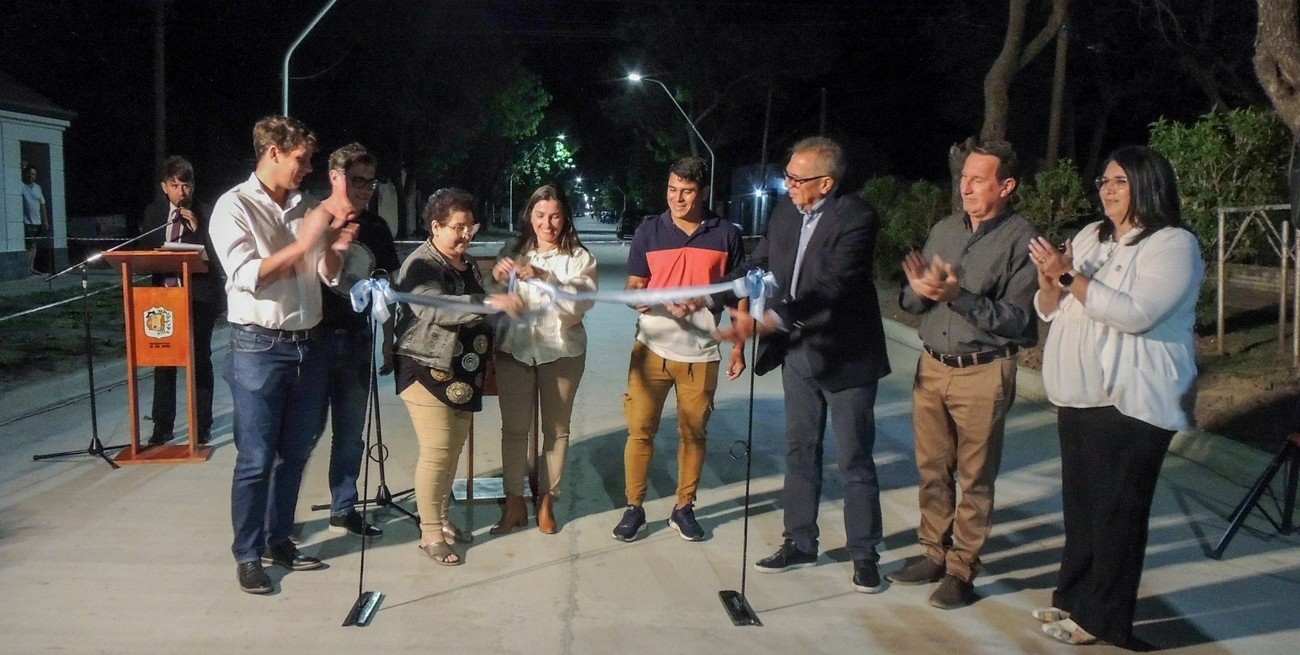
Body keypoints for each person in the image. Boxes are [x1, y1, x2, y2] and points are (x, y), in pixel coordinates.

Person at [1027, 146, 1202, 646]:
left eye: (1120, 181)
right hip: (1079, 395)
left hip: (1133, 401)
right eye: (1104, 180)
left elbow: (1135, 314)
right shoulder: (1091, 236)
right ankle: (1072, 599)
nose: (1107, 189)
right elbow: (1051, 308)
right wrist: (1049, 282)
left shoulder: (1173, 245)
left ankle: (1102, 618)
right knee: (1082, 509)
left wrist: (1068, 275)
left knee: (1118, 514)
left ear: (1149, 184)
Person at [718, 136, 892, 593]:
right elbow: (757, 265)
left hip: (845, 356)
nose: (788, 185)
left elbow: (834, 286)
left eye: (797, 179)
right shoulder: (784, 213)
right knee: (799, 450)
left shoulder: (856, 217)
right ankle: (799, 541)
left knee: (853, 457)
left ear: (826, 183)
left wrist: (773, 319)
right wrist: (707, 295)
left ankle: (864, 555)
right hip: (797, 354)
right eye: (788, 176)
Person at [209, 115, 358, 595]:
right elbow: (248, 275)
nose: (308, 167)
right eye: (301, 158)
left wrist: (335, 246)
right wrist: (307, 239)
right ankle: (248, 554)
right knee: (256, 458)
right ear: (272, 152)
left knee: (294, 454)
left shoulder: (306, 206)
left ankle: (279, 540)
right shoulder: (233, 206)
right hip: (258, 346)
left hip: (309, 344)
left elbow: (328, 275)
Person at [892, 139, 1039, 609]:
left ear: (1006, 186)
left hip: (983, 371)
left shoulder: (1022, 240)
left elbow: (1020, 321)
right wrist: (919, 290)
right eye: (964, 178)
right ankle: (933, 553)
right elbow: (912, 300)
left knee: (975, 478)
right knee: (932, 469)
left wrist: (959, 296)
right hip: (933, 366)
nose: (966, 186)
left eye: (978, 179)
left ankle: (961, 571)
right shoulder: (944, 230)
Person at [611, 156, 746, 543]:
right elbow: (634, 284)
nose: (677, 198)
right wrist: (638, 298)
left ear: (703, 192)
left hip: (701, 352)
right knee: (639, 431)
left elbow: (739, 293)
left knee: (693, 434)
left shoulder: (726, 234)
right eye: (672, 190)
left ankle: (684, 508)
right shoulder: (649, 232)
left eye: (687, 191)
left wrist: (738, 347)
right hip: (650, 348)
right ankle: (634, 508)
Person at [393, 188, 522, 565]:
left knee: (452, 450)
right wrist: (489, 301)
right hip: (426, 368)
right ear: (436, 226)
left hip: (464, 371)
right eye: (458, 227)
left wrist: (500, 286)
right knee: (436, 451)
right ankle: (430, 533)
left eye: (471, 227)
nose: (466, 234)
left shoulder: (466, 263)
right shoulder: (420, 264)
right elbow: (434, 307)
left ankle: (441, 518)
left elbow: (482, 304)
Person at [489, 184, 597, 535]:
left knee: (556, 431)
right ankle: (514, 502)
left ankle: (548, 500)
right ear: (529, 216)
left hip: (562, 351)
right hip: (514, 350)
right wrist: (498, 279)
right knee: (514, 429)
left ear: (565, 218)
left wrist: (545, 277)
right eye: (540, 216)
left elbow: (580, 304)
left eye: (554, 216)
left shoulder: (579, 258)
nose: (547, 224)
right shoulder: (514, 250)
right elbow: (490, 297)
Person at [314, 143, 400, 539]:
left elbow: (387, 288)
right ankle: (277, 520)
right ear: (336, 178)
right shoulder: (315, 219)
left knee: (350, 433)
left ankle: (343, 507)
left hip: (357, 338)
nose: (365, 189)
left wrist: (388, 340)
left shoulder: (377, 228)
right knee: (302, 434)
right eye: (357, 181)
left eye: (370, 182)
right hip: (312, 339)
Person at [140, 156, 223, 447]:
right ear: (165, 187)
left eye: (186, 186)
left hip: (198, 298)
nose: (181, 192)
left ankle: (202, 426)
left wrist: (198, 229)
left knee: (199, 360)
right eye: (175, 186)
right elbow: (143, 251)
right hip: (163, 299)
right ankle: (162, 427)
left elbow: (217, 256)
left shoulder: (206, 213)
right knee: (163, 361)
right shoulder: (154, 212)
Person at [22, 165, 49, 275]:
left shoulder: (38, 188)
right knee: (30, 245)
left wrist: (45, 220)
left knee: (34, 246)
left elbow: (43, 204)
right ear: (25, 174)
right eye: (29, 173)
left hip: (37, 222)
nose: (31, 176)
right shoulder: (21, 186)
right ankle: (27, 269)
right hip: (26, 222)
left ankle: (31, 267)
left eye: (33, 174)